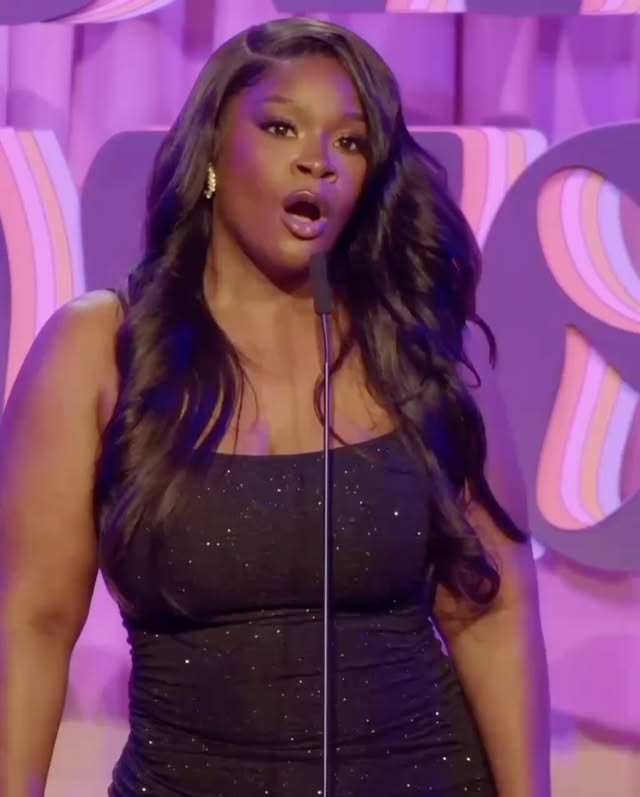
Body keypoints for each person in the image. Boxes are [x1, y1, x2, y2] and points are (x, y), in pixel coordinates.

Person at [0, 16, 550, 797]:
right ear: (212, 152)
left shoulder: (419, 350)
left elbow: (490, 613)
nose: (317, 160)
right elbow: (32, 623)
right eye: (281, 126)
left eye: (350, 141)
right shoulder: (98, 348)